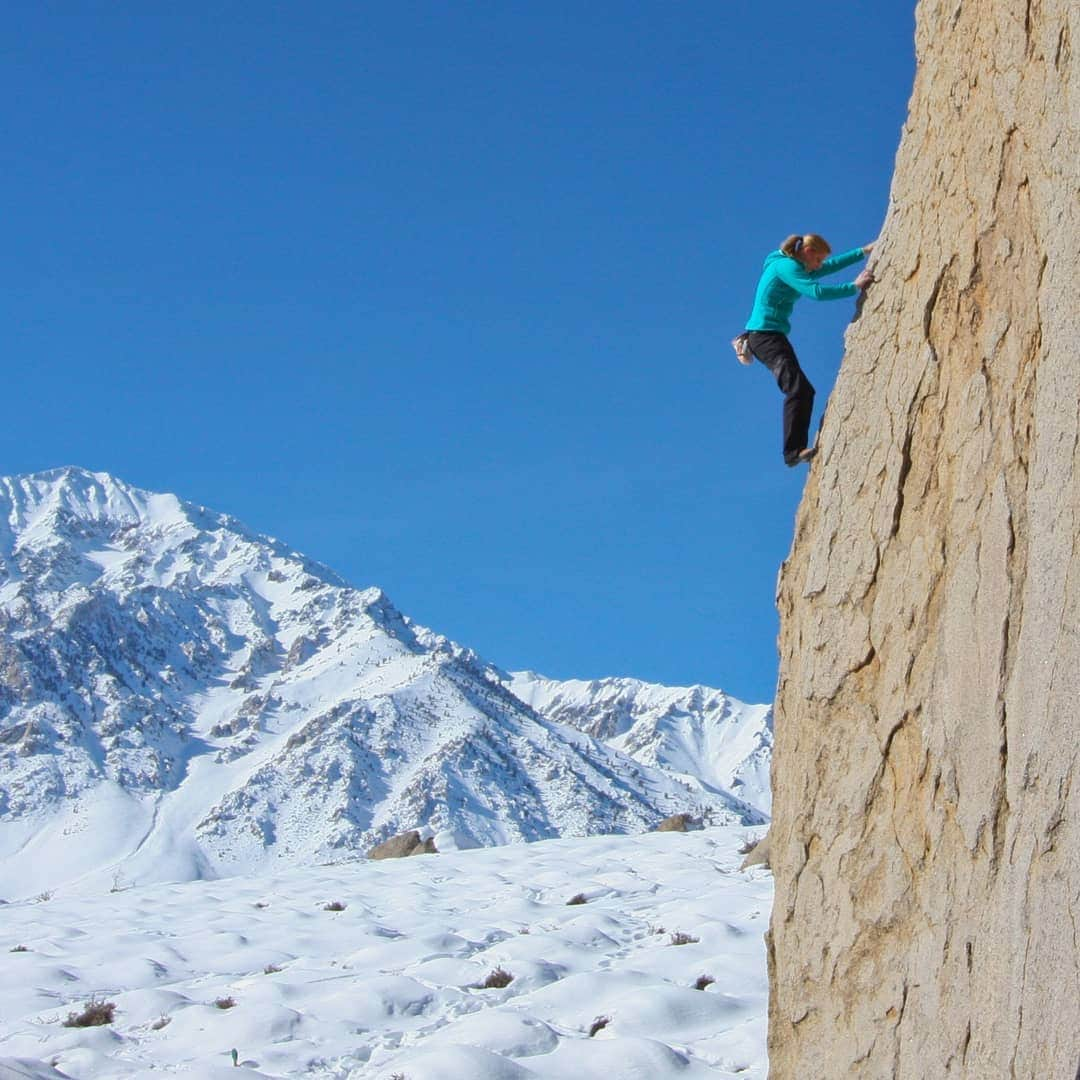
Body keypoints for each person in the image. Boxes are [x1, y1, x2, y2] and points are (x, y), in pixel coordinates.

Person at [738, 233, 874, 467]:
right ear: (808, 253)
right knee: (799, 390)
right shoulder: (786, 267)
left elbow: (828, 267)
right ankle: (792, 453)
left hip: (771, 335)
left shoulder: (795, 264)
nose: (820, 264)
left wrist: (863, 251)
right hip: (764, 336)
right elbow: (816, 292)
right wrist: (853, 287)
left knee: (803, 391)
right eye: (818, 259)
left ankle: (745, 342)